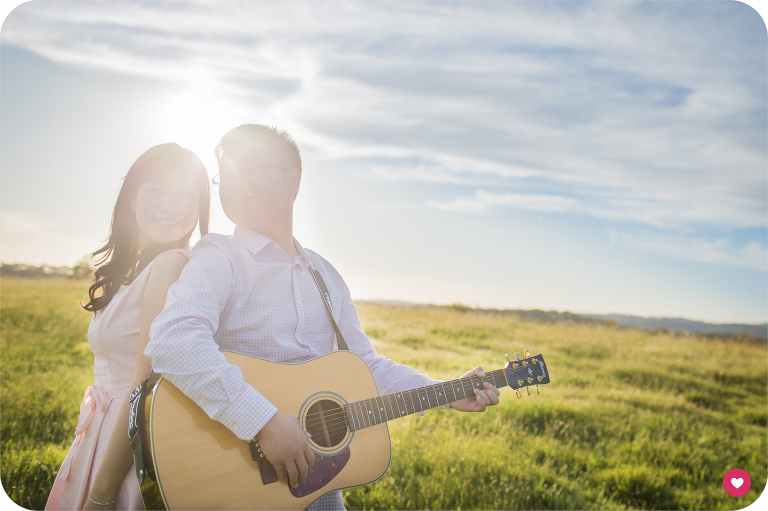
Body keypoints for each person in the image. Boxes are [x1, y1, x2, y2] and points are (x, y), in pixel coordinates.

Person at [145, 124, 500, 510]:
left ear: (291, 181)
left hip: (322, 495)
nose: (234, 181)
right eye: (225, 174)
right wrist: (262, 420)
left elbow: (366, 368)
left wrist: (444, 392)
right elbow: (173, 340)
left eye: (249, 166)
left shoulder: (325, 275)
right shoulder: (222, 256)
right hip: (242, 486)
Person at [45, 143, 211, 511]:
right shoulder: (136, 268)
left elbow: (146, 381)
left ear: (200, 207)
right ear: (132, 199)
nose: (171, 206)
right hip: (105, 434)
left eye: (186, 195)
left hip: (132, 443)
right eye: (157, 191)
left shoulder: (170, 265)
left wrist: (101, 495)